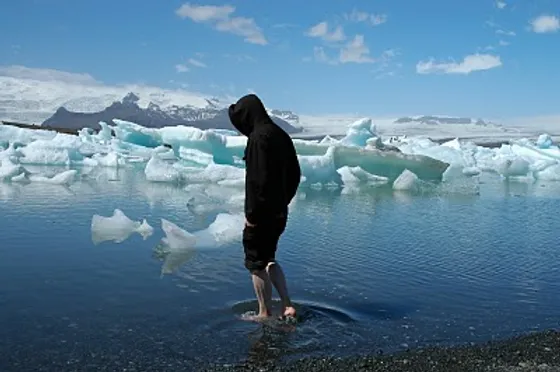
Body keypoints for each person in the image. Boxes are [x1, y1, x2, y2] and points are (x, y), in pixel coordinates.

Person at [228, 94, 301, 320]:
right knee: (269, 258)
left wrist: (252, 216)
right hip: (279, 212)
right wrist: (283, 201)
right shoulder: (281, 134)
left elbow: (256, 182)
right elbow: (295, 174)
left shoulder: (258, 138)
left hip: (261, 215)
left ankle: (264, 312)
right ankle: (287, 305)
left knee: (256, 264)